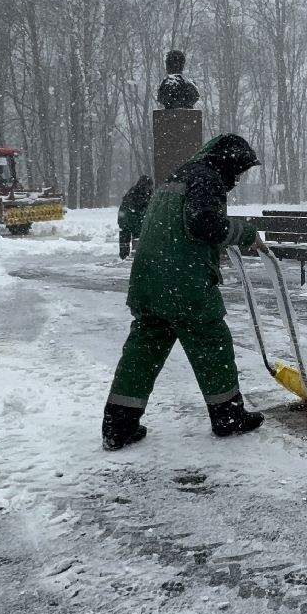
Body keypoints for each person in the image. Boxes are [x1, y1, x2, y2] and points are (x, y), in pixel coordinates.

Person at [101, 134, 266, 450]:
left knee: (143, 352)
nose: (236, 179)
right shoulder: (208, 180)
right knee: (212, 344)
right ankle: (228, 418)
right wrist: (243, 232)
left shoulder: (174, 178)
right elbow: (203, 224)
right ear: (225, 163)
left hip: (148, 281)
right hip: (184, 285)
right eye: (237, 171)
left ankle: (118, 426)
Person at [116, 175, 153, 260]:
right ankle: (124, 257)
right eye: (148, 185)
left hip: (135, 218)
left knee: (137, 236)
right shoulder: (134, 193)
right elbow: (134, 208)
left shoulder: (147, 193)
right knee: (126, 237)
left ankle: (135, 255)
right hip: (126, 219)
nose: (149, 188)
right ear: (143, 185)